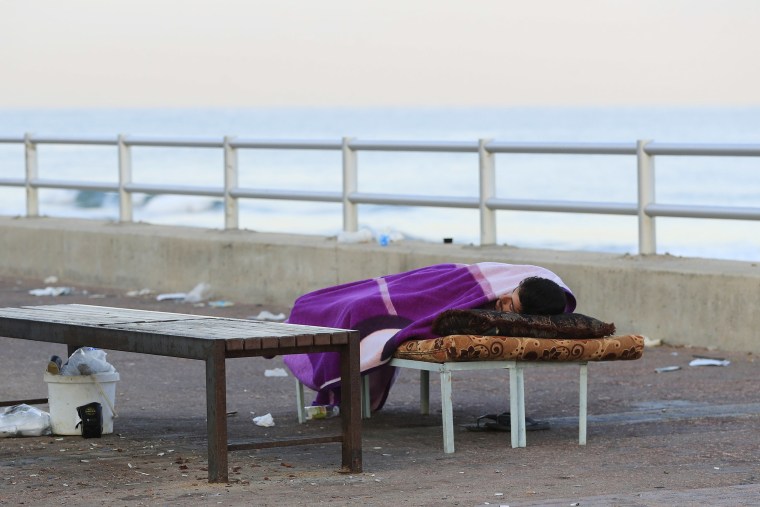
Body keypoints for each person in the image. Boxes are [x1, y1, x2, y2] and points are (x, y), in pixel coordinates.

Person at [283, 262, 576, 411]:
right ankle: (305, 322)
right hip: (446, 278)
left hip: (439, 301)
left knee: (360, 310)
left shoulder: (536, 311)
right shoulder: (527, 282)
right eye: (509, 297)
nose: (501, 303)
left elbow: (437, 317)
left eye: (511, 308)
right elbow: (468, 279)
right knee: (332, 301)